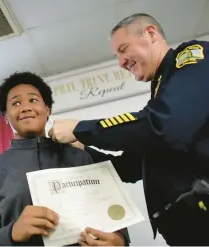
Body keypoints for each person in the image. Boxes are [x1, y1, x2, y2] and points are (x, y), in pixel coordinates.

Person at [48, 13, 209, 245]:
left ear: (151, 34)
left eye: (124, 49)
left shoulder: (190, 57)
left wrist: (80, 129)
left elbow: (163, 125)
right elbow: (129, 168)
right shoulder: (159, 97)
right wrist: (84, 148)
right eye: (117, 56)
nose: (121, 62)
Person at [0, 72, 128, 246]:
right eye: (16, 103)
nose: (25, 107)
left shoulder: (80, 157)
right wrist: (12, 233)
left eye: (33, 100)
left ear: (47, 110)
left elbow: (112, 215)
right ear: (6, 117)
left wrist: (119, 239)